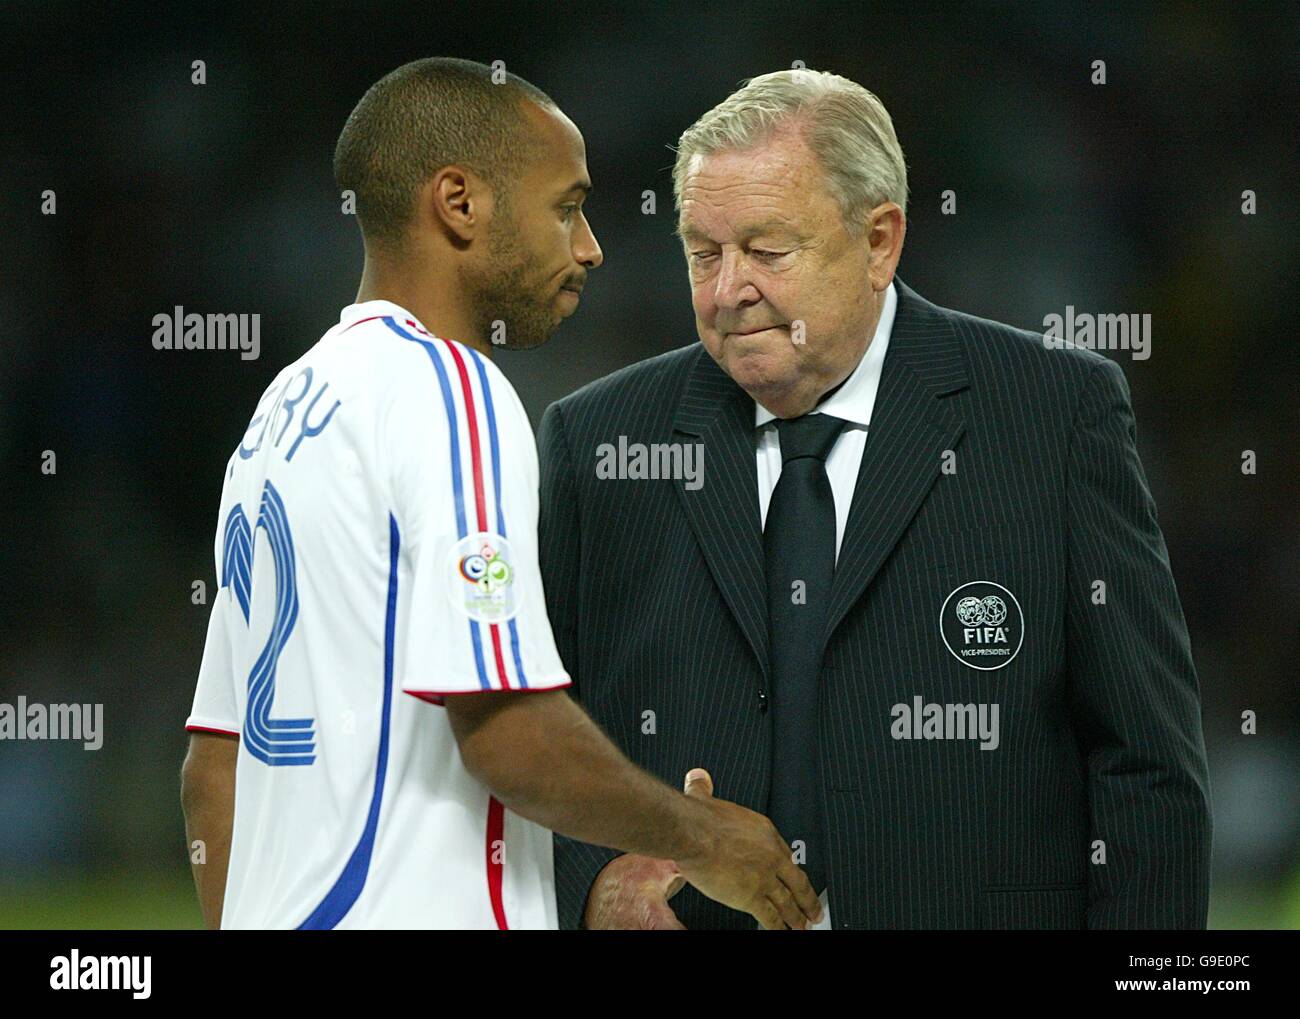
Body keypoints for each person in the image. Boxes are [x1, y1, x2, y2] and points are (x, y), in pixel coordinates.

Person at [540, 68, 1211, 929]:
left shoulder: (1053, 414)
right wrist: (591, 885)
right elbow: (530, 732)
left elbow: (1147, 763)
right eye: (703, 253)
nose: (726, 291)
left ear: (880, 241)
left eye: (767, 251)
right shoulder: (598, 442)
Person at [180, 57, 820, 931]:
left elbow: (213, 768)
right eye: (566, 206)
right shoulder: (451, 393)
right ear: (460, 202)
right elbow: (508, 733)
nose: (591, 243)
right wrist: (708, 838)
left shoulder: (280, 416)